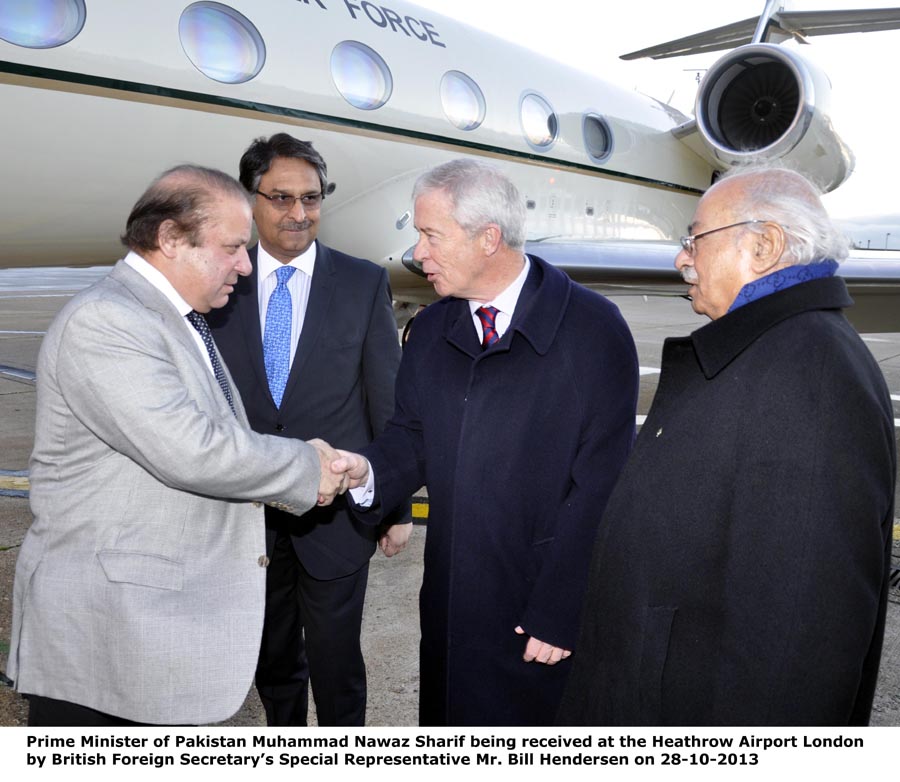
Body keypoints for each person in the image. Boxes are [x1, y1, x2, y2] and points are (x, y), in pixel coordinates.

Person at [7, 165, 348, 727]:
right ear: (169, 239)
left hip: (150, 632)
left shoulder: (174, 317)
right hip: (111, 643)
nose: (246, 263)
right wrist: (308, 466)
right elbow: (194, 450)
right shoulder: (107, 321)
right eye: (234, 247)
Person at [557, 164, 897, 726]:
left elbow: (799, 647)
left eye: (695, 239)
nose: (681, 259)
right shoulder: (771, 352)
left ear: (764, 245)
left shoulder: (810, 377)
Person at [333, 158, 640, 726]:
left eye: (431, 235)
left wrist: (560, 608)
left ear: (488, 239)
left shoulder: (593, 330)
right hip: (453, 600)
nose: (417, 253)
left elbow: (604, 485)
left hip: (536, 606)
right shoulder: (430, 329)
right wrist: (363, 471)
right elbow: (411, 435)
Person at [207, 134, 409, 727]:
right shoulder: (221, 283)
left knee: (337, 662)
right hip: (247, 517)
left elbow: (386, 398)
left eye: (312, 198)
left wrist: (394, 506)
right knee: (271, 661)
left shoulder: (362, 281)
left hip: (337, 519)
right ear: (251, 200)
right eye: (282, 198)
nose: (299, 213)